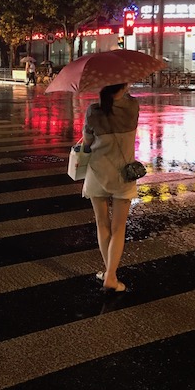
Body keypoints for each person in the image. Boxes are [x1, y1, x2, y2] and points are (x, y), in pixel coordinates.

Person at [81, 82, 139, 293]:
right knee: (118, 228)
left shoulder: (93, 111)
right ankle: (111, 275)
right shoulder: (132, 107)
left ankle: (109, 274)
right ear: (123, 86)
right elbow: (127, 100)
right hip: (124, 175)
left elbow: (87, 143)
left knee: (102, 224)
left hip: (97, 174)